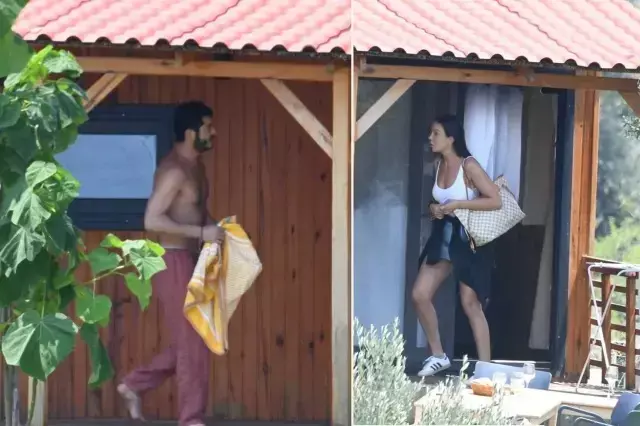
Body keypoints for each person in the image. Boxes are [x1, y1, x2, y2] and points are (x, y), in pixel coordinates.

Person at [117, 101, 224, 426]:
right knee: (193, 343)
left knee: (192, 342)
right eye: (208, 126)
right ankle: (190, 419)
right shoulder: (174, 171)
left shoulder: (196, 168)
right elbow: (152, 220)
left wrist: (217, 230)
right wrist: (201, 232)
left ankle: (134, 385)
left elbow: (195, 212)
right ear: (191, 132)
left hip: (192, 259)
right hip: (172, 260)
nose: (214, 132)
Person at [413, 114, 502, 377]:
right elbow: (439, 202)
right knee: (419, 294)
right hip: (444, 233)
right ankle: (438, 355)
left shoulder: (469, 165)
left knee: (470, 302)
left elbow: (495, 200)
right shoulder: (438, 164)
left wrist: (458, 204)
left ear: (451, 138)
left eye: (436, 133)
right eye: (431, 133)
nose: (430, 138)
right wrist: (435, 208)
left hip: (468, 237)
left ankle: (485, 369)